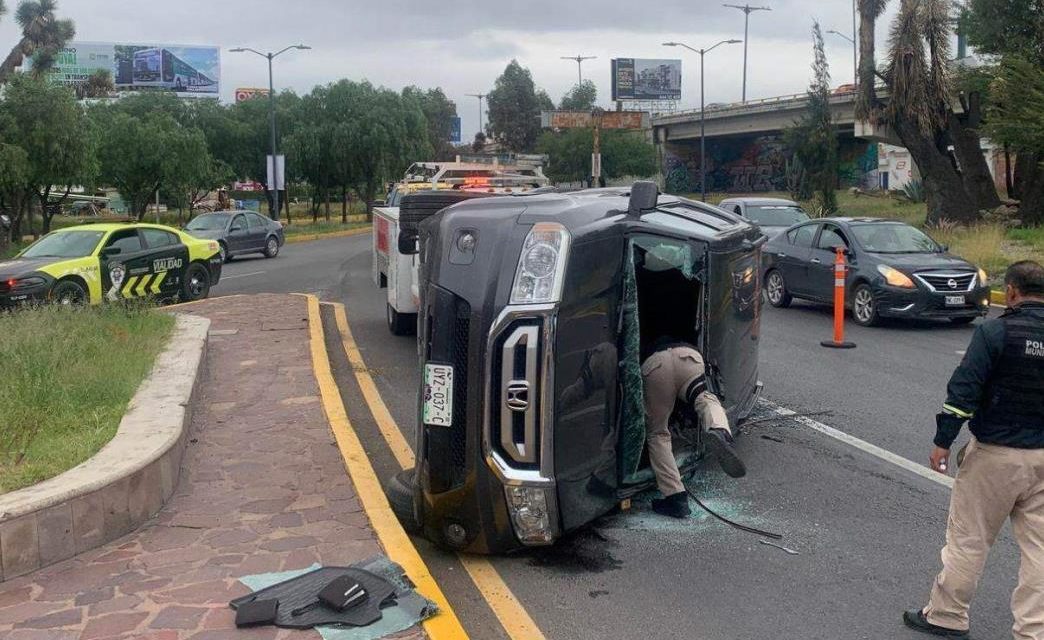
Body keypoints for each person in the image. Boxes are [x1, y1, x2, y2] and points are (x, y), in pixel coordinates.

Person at [904, 260, 1044, 639]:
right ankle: (1034, 631)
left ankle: (947, 616)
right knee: (1041, 551)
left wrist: (942, 440)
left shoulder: (996, 333)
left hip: (996, 456)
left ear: (1011, 292)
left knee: (970, 538)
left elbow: (964, 392)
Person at [642, 341, 746, 519]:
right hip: (688, 357)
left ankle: (676, 498)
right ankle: (720, 431)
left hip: (655, 366)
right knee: (705, 399)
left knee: (658, 433)